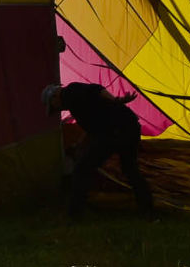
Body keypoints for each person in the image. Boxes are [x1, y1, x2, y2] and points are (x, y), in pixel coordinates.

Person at [43, 81, 156, 215]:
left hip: (115, 131)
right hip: (126, 127)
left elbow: (96, 89)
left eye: (54, 107)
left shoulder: (70, 92)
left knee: (82, 169)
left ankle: (75, 214)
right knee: (130, 169)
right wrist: (79, 144)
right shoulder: (74, 104)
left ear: (55, 96)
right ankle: (148, 210)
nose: (59, 110)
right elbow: (92, 127)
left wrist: (115, 100)